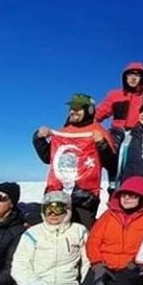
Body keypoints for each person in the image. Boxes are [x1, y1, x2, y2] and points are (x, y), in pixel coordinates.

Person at [33, 93, 116, 228]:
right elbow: (49, 158)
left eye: (77, 109)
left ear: (89, 110)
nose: (72, 111)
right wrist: (38, 138)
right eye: (71, 108)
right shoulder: (63, 131)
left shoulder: (98, 132)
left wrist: (102, 144)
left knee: (80, 237)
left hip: (84, 199)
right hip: (56, 195)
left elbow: (112, 163)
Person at [95, 62, 143, 135]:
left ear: (142, 78)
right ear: (125, 77)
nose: (133, 78)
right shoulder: (114, 95)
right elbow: (98, 114)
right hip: (117, 134)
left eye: (137, 75)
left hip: (140, 135)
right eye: (130, 74)